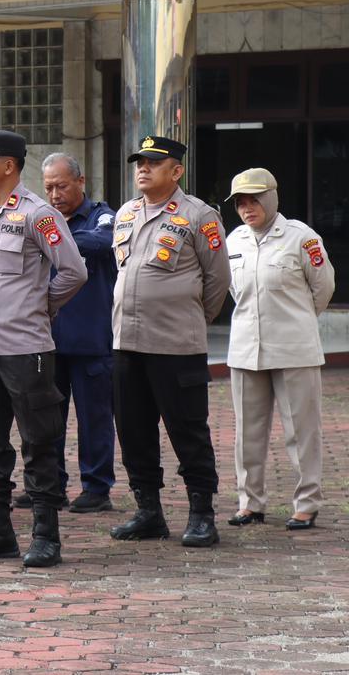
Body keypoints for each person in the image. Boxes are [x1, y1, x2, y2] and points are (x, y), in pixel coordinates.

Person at [0, 130, 86, 568]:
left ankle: (46, 535)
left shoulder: (38, 214)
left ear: (9, 165)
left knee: (38, 441)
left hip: (26, 347)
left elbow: (74, 271)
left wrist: (40, 306)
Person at [109, 135, 231, 548]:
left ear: (176, 171)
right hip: (127, 344)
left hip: (177, 346)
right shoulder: (126, 213)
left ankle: (202, 514)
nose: (142, 168)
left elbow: (217, 280)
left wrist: (192, 318)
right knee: (133, 432)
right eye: (139, 162)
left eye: (153, 163)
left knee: (188, 431)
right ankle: (148, 512)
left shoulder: (200, 215)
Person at [225, 167, 335, 531]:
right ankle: (250, 503)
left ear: (271, 198)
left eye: (254, 200)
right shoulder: (235, 240)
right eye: (241, 202)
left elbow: (323, 288)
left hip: (294, 347)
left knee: (301, 431)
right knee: (247, 432)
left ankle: (307, 504)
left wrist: (298, 319)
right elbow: (234, 291)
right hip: (246, 348)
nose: (247, 208)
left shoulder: (301, 237)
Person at [41, 152, 119, 514]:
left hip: (91, 338)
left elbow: (103, 242)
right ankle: (50, 485)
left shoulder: (102, 215)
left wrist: (53, 240)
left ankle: (97, 488)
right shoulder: (42, 218)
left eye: (61, 186)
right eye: (48, 188)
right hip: (49, 338)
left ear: (80, 182)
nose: (55, 194)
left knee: (95, 418)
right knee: (47, 419)